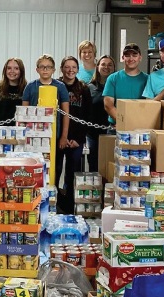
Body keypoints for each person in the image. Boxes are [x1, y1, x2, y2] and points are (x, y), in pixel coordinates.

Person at [22, 54, 70, 195]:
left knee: (55, 167)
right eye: (42, 67)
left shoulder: (60, 87)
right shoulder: (30, 87)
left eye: (48, 67)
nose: (45, 70)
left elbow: (66, 113)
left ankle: (53, 197)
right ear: (37, 69)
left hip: (55, 135)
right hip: (33, 136)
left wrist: (63, 136)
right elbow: (23, 112)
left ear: (54, 70)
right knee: (34, 166)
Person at [60, 56, 92, 214]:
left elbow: (87, 116)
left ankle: (71, 204)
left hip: (76, 140)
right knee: (56, 170)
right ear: (61, 69)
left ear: (78, 69)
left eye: (73, 67)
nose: (70, 70)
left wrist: (78, 139)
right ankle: (57, 202)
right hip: (59, 139)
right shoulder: (57, 86)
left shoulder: (84, 89)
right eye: (67, 67)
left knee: (72, 172)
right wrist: (62, 138)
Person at [103, 43, 148, 129]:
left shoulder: (148, 80)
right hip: (116, 127)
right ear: (123, 58)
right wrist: (123, 122)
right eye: (127, 55)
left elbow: (150, 104)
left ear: (140, 58)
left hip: (141, 127)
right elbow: (108, 105)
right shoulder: (113, 78)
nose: (131, 58)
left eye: (134, 55)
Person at [87, 55, 116, 172]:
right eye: (103, 64)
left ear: (114, 68)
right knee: (94, 165)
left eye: (110, 65)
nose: (106, 67)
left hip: (113, 131)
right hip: (93, 134)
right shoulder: (89, 87)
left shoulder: (116, 85)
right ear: (97, 66)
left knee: (110, 165)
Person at [0, 58, 27, 124]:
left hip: (19, 131)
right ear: (5, 70)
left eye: (16, 68)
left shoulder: (27, 89)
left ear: (21, 71)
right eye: (9, 68)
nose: (12, 71)